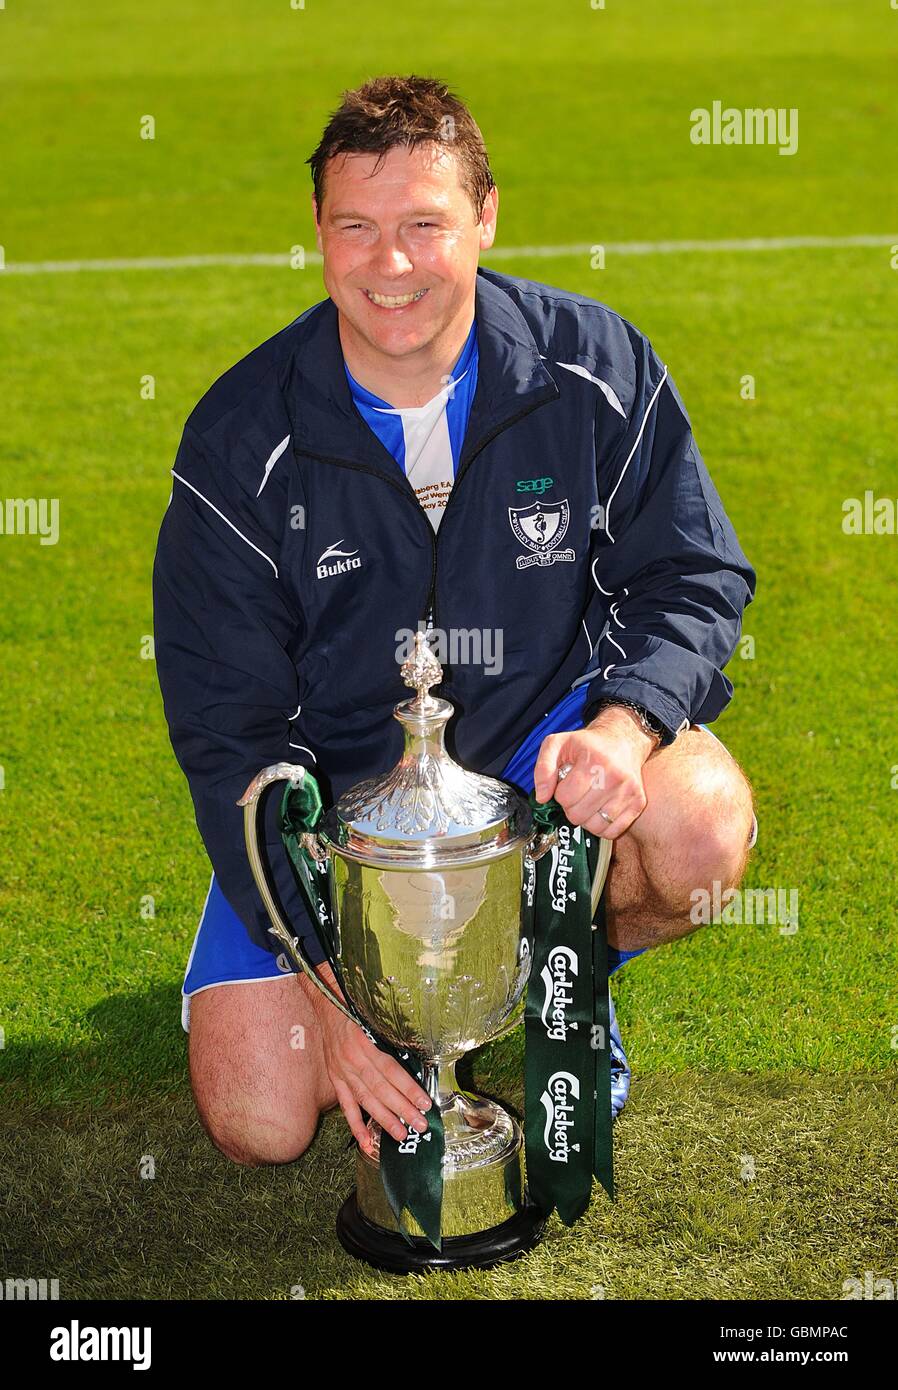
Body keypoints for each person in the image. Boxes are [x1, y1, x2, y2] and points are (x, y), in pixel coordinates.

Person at [152, 74, 757, 1169]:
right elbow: (228, 735)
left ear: (485, 217)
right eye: (357, 227)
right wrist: (330, 997)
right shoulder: (241, 437)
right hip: (340, 801)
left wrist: (624, 728)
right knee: (259, 1120)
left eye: (425, 225)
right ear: (318, 230)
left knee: (699, 829)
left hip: (537, 753)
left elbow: (693, 571)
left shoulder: (593, 366)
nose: (391, 264)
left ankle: (558, 976)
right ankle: (385, 982)